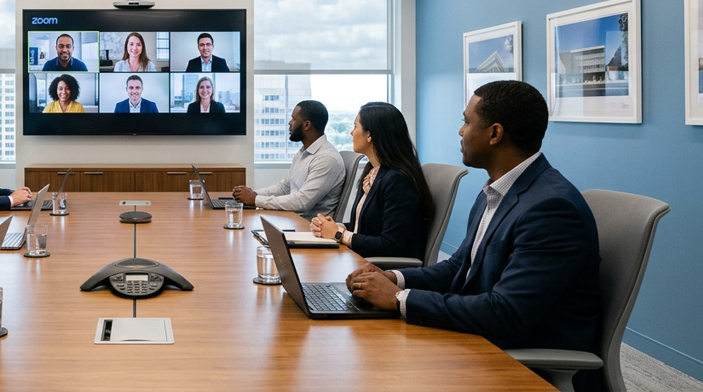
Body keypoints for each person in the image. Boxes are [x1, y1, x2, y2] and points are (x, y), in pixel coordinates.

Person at [345, 81, 601, 386]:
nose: (460, 132)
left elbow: (506, 314)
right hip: (481, 336)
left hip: (516, 360)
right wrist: (395, 278)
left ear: (494, 134)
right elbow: (459, 267)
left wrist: (400, 299)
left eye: (466, 122)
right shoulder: (497, 190)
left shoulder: (551, 208)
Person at [309, 102, 432, 259]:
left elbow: (391, 245)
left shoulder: (398, 180)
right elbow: (363, 228)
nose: (351, 132)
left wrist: (339, 234)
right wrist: (329, 227)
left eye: (355, 126)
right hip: (362, 259)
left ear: (369, 134)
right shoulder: (373, 172)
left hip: (380, 269)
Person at [232, 100, 345, 220]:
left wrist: (255, 200)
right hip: (292, 219)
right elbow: (284, 188)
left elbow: (302, 202)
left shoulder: (327, 158)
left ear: (307, 125)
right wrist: (254, 194)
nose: (289, 123)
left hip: (307, 227)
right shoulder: (303, 152)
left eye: (293, 119)